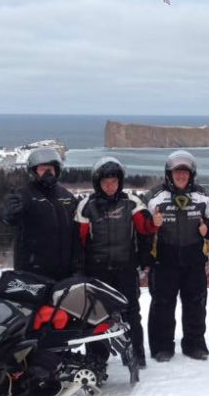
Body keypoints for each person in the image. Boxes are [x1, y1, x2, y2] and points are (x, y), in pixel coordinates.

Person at [75, 156, 156, 368]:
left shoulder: (131, 202)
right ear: (97, 184)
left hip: (125, 268)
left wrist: (154, 223)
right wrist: (79, 270)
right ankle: (97, 358)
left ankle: (137, 355)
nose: (110, 186)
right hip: (97, 270)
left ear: (120, 182)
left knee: (131, 312)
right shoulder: (86, 205)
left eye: (114, 182)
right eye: (105, 182)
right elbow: (78, 240)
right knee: (95, 315)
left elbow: (144, 228)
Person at [145, 150, 209, 362]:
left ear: (191, 174)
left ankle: (195, 344)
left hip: (194, 258)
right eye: (177, 172)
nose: (181, 176)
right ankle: (162, 347)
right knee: (162, 304)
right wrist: (152, 225)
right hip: (164, 259)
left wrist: (208, 230)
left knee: (196, 303)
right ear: (169, 173)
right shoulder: (154, 196)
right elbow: (140, 226)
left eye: (185, 172)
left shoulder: (204, 196)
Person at [2, 147, 79, 281]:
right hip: (33, 270)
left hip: (65, 271)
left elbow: (78, 229)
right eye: (43, 169)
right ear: (34, 171)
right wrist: (9, 213)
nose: (48, 173)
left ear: (57, 170)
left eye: (51, 169)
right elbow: (11, 219)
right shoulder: (25, 194)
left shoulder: (66, 196)